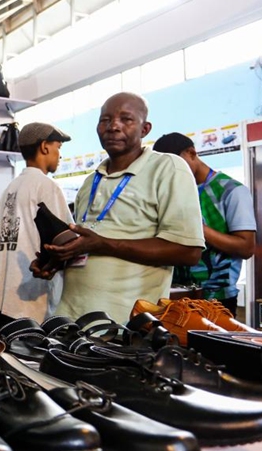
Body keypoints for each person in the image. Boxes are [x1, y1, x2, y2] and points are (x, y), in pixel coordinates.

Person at [35, 92, 205, 323]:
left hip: (123, 329)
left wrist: (103, 244)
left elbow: (188, 251)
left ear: (145, 129)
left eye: (126, 119)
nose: (113, 126)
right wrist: (59, 259)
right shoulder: (91, 181)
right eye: (105, 120)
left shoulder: (168, 168)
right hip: (69, 320)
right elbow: (91, 244)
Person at [153, 132, 256, 316]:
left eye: (176, 165)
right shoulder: (173, 192)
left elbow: (246, 247)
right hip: (175, 296)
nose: (171, 173)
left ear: (191, 153)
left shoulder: (232, 191)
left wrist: (197, 229)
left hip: (217, 299)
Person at [0, 122, 73, 321]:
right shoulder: (47, 187)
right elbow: (67, 241)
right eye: (58, 148)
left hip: (6, 300)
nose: (59, 155)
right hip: (35, 301)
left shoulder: (10, 188)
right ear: (45, 147)